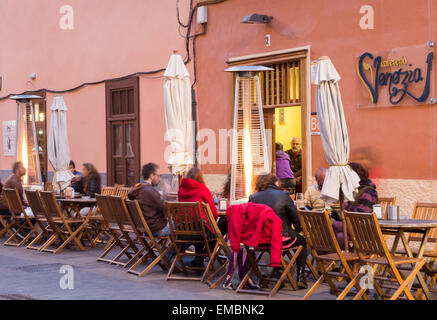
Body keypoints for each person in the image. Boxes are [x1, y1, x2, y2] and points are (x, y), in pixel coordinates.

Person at [249, 173, 308, 289]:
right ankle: (300, 277)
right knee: (302, 241)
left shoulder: (253, 197)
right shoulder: (283, 196)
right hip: (281, 238)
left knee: (273, 241)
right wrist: (299, 229)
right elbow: (296, 218)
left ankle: (279, 272)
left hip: (259, 240)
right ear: (275, 183)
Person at [178, 167, 218, 267]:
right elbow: (213, 212)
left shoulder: (181, 190)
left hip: (183, 230)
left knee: (202, 227)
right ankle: (200, 258)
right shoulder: (203, 189)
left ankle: (198, 261)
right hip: (200, 230)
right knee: (217, 231)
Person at [333, 162, 378, 249]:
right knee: (340, 237)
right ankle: (352, 260)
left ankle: (326, 260)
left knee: (334, 226)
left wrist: (345, 206)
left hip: (365, 228)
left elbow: (363, 211)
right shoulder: (355, 189)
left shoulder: (367, 191)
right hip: (354, 226)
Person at [127, 163, 170, 237]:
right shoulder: (149, 191)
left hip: (145, 228)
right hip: (156, 229)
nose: (159, 178)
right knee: (182, 225)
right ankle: (175, 248)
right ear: (151, 176)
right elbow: (166, 208)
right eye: (158, 175)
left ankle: (173, 248)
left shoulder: (137, 189)